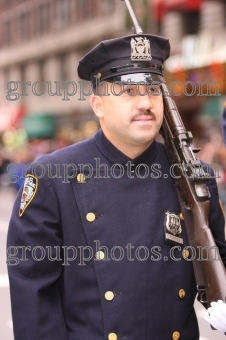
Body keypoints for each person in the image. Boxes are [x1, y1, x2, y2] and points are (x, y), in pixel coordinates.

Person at [7, 33, 226, 340]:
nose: (145, 103)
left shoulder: (193, 176)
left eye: (152, 90)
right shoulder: (53, 176)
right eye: (128, 92)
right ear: (98, 105)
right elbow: (34, 292)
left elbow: (219, 259)